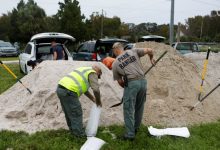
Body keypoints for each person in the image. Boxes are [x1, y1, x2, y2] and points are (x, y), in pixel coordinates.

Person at [112, 42, 155, 141]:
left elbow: (120, 81)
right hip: (143, 82)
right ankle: (135, 128)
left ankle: (130, 134)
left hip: (131, 83)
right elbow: (150, 50)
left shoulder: (115, 63)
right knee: (139, 107)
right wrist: (151, 58)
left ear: (115, 51)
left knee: (128, 109)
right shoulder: (133, 51)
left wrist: (127, 88)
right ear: (122, 48)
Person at [56, 65, 102, 137]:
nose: (97, 78)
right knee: (76, 112)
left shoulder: (84, 70)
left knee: (69, 112)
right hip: (69, 91)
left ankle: (73, 131)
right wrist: (98, 101)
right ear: (98, 72)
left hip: (60, 89)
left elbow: (84, 90)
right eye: (98, 76)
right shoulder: (93, 73)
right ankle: (79, 135)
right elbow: (96, 89)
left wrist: (93, 99)